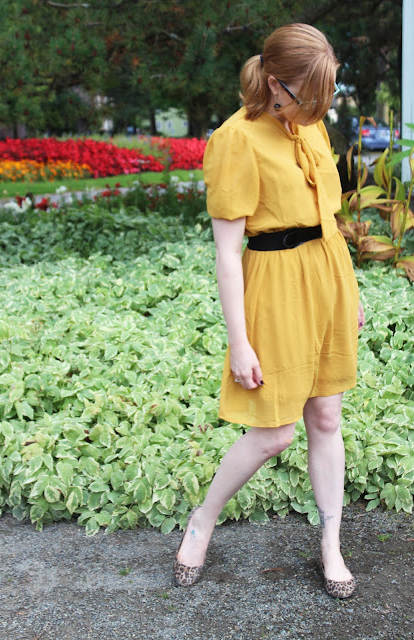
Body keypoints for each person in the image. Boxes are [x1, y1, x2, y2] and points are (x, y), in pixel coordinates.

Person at [173, 23, 365, 599]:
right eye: (311, 94)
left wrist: (351, 291)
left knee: (326, 417)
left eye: (325, 96)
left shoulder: (310, 122)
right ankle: (203, 519)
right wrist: (239, 342)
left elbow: (328, 220)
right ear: (276, 82)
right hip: (275, 286)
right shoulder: (236, 138)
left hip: (327, 275)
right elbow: (227, 254)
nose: (319, 107)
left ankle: (331, 544)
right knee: (274, 433)